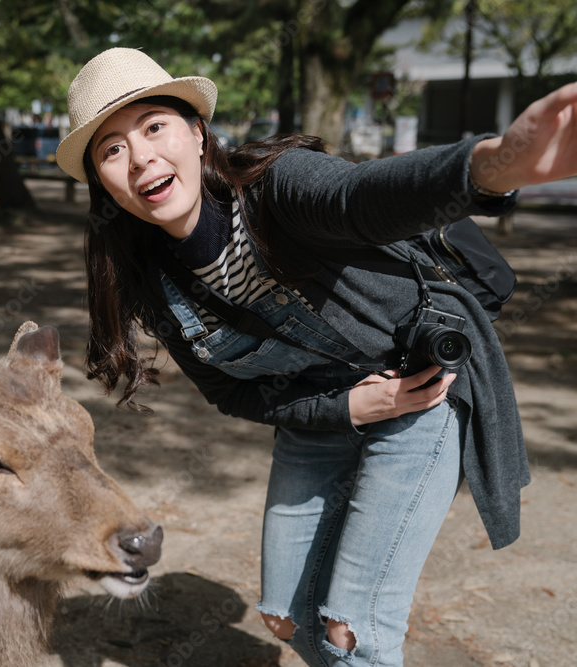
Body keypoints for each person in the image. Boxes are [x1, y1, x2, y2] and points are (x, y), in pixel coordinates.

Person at [55, 47, 577, 666]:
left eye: (154, 126)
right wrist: (347, 406)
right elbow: (229, 392)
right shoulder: (154, 282)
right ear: (103, 183)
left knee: (349, 630)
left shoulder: (279, 186)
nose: (140, 157)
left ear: (197, 135)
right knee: (285, 618)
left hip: (422, 395)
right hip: (323, 413)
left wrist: (491, 165)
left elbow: (365, 196)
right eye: (112, 149)